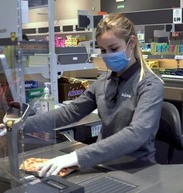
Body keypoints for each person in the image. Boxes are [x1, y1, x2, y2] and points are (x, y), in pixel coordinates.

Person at [0, 13, 164, 177]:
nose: (107, 55)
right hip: (104, 164)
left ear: (131, 43)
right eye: (103, 50)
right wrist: (20, 125)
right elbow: (70, 112)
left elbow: (137, 134)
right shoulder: (103, 82)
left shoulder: (149, 85)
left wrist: (76, 157)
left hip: (137, 168)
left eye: (113, 49)